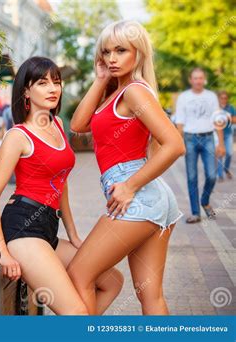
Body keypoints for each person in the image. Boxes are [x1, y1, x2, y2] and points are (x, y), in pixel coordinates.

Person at [0, 56, 123, 315]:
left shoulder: (58, 125)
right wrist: (2, 251)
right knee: (76, 313)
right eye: (42, 83)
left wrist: (73, 235)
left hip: (48, 228)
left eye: (56, 82)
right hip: (23, 229)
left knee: (113, 282)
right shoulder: (18, 136)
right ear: (26, 90)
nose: (53, 89)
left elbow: (61, 184)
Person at [69, 20, 185, 315]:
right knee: (151, 296)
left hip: (138, 195)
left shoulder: (134, 91)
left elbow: (174, 144)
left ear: (139, 52)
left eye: (121, 50)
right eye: (106, 52)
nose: (111, 58)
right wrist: (99, 79)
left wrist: (130, 186)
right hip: (152, 199)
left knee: (80, 275)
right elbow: (78, 124)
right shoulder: (116, 91)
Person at [175, 68, 226, 223]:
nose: (198, 81)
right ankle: (195, 212)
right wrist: (180, 143)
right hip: (190, 139)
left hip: (208, 138)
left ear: (204, 80)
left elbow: (218, 120)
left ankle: (205, 201)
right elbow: (180, 123)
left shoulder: (211, 97)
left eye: (201, 78)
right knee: (192, 177)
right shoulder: (184, 97)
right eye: (195, 78)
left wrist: (221, 144)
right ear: (191, 80)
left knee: (211, 175)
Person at [216, 90, 235, 181]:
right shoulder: (216, 108)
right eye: (222, 98)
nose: (224, 99)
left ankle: (226, 169)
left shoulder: (230, 108)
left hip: (228, 134)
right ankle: (220, 175)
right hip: (217, 134)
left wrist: (227, 117)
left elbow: (235, 120)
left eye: (225, 98)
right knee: (220, 154)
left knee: (229, 153)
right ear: (219, 98)